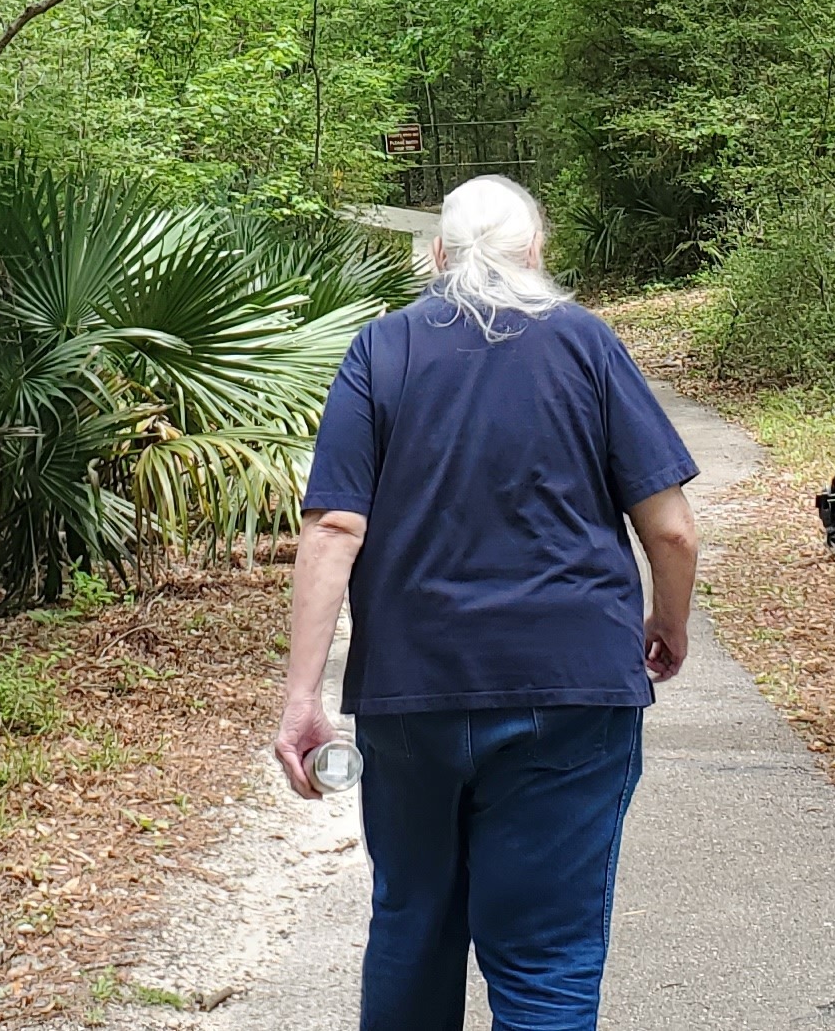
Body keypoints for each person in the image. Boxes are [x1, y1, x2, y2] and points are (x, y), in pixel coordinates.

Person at [274, 175, 702, 1031]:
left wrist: (301, 699)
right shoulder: (588, 343)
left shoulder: (381, 351)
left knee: (413, 927)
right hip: (573, 690)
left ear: (436, 256)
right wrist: (667, 624)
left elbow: (331, 531)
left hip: (412, 695)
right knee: (547, 954)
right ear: (535, 253)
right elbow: (674, 530)